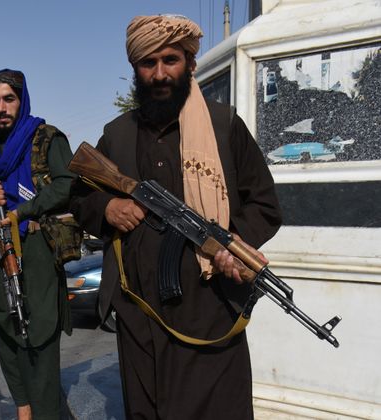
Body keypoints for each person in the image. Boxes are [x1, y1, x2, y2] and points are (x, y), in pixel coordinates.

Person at [69, 15, 282, 419]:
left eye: (171, 60)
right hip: (140, 314)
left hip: (210, 310)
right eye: (148, 63)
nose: (160, 73)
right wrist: (108, 208)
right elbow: (80, 197)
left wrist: (232, 245)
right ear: (135, 69)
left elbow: (265, 204)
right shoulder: (116, 135)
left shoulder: (223, 125)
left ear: (188, 63)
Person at [0, 69, 75, 420]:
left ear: (21, 100)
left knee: (40, 336)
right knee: (5, 330)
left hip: (36, 249)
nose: (1, 107)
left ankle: (46, 412)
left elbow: (67, 186)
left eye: (8, 99)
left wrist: (22, 210)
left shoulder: (46, 137)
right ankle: (23, 407)